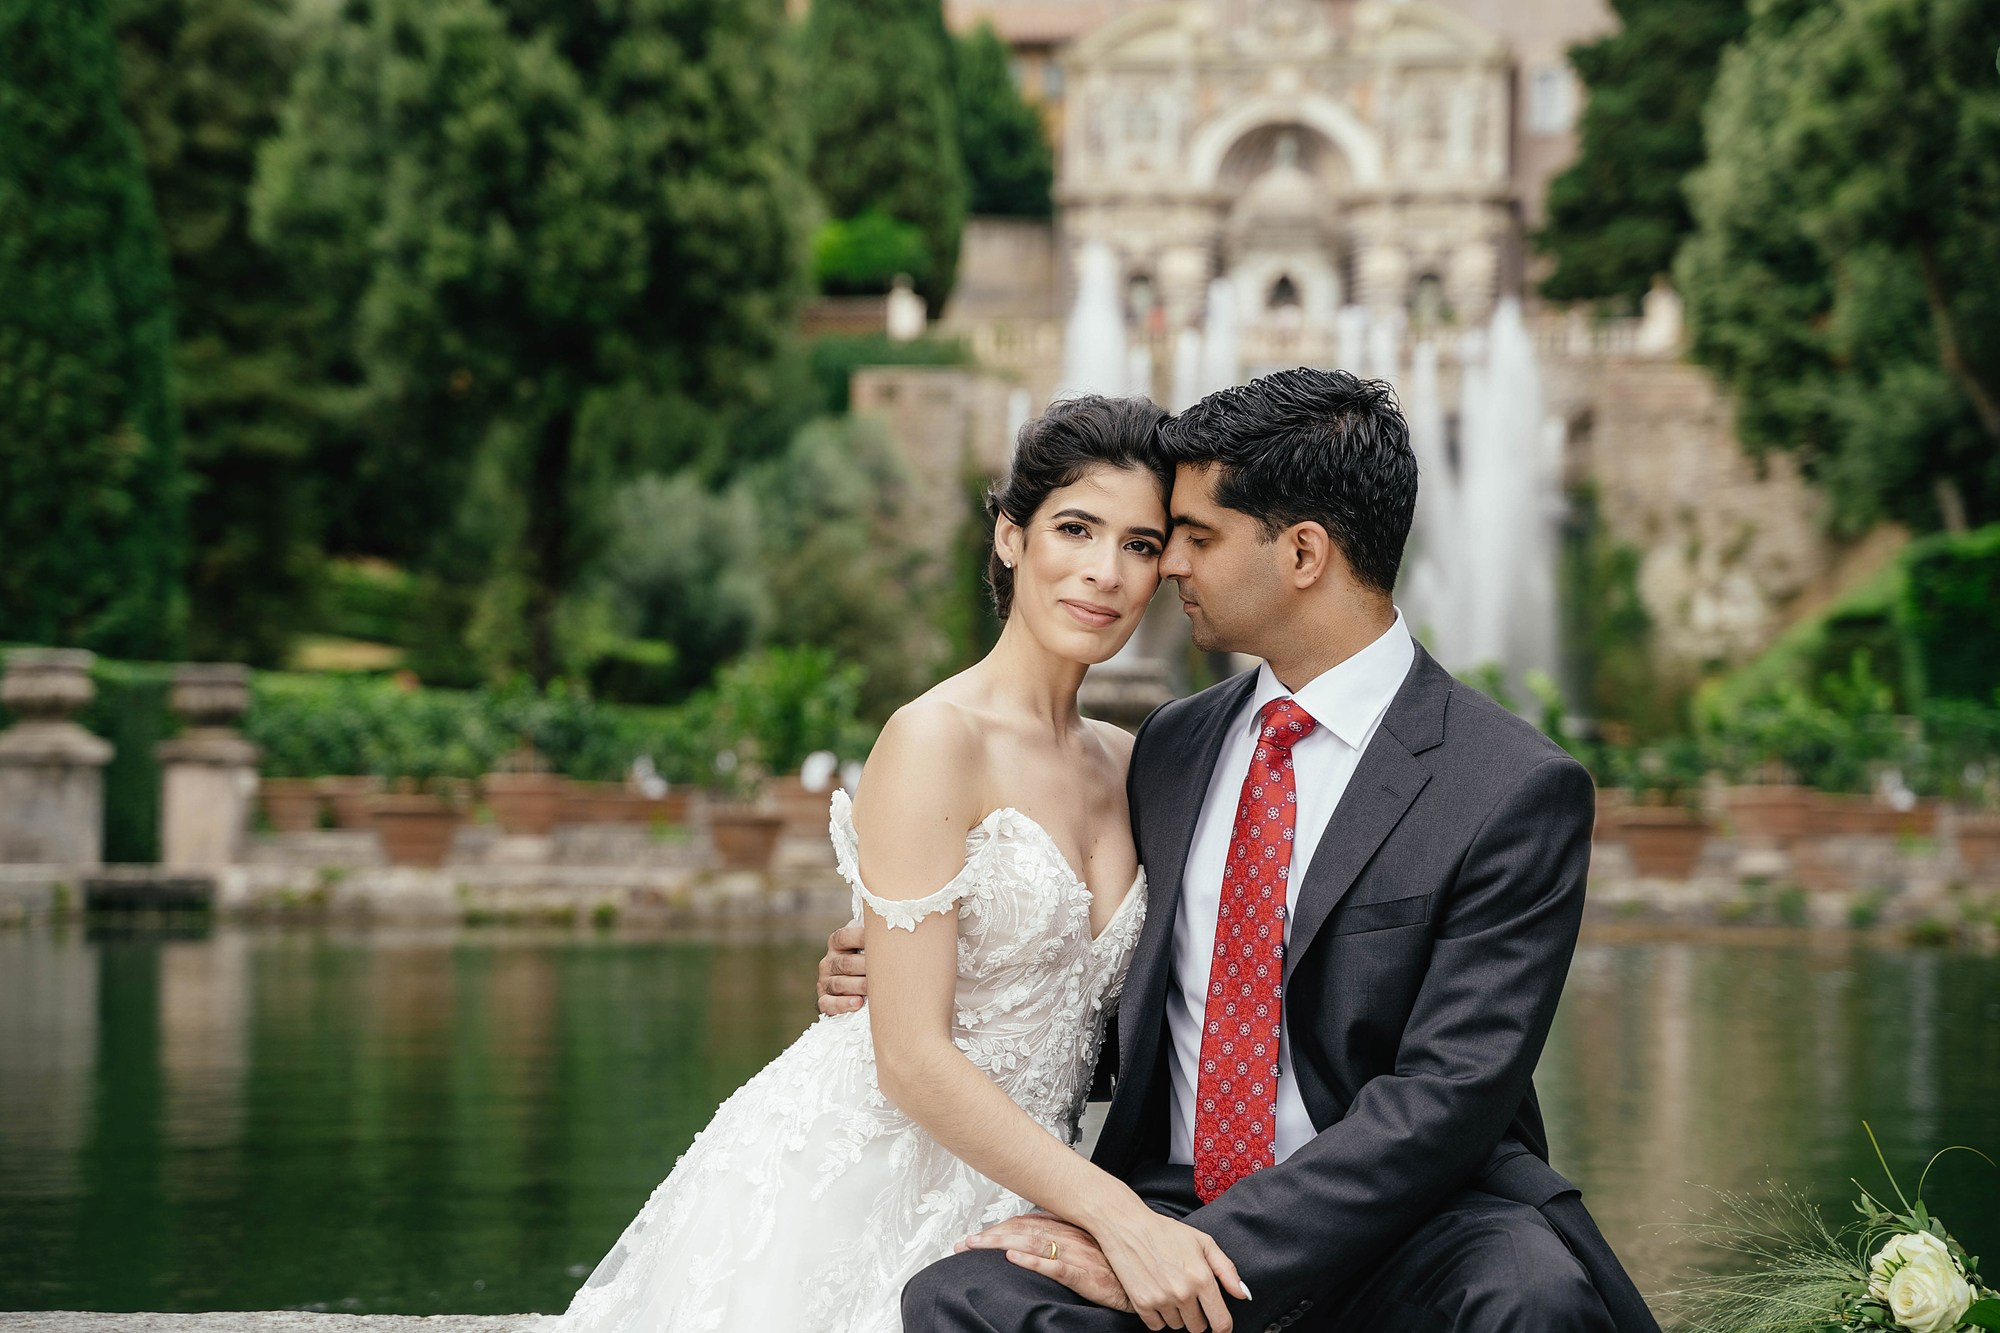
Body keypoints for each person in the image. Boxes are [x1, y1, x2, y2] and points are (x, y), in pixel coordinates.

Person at [818, 368, 1662, 1333]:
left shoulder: (1510, 786)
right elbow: (1135, 1000)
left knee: (1531, 1292)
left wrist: (1195, 1257)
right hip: (1177, 1193)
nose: (1164, 567)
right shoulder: (1172, 748)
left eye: (1194, 538)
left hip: (1416, 1219)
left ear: (1302, 552)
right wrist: (915, 963)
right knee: (966, 1298)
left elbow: (1448, 1097)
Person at [549, 395, 1258, 1333]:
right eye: (1075, 529)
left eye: (1138, 543)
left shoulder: (1135, 761)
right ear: (1011, 537)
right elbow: (911, 1056)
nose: (1104, 572)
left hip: (1023, 1191)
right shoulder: (933, 738)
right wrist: (1119, 1215)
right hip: (862, 1179)